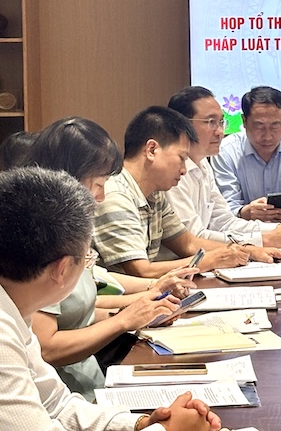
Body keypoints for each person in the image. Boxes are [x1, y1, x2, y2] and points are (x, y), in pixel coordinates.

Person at [0, 166, 222, 430]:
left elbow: (57, 404)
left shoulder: (16, 308)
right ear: (62, 269)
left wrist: (141, 424)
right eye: (87, 257)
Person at [25, 117, 196, 400]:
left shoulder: (67, 230)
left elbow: (81, 310)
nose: (101, 197)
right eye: (98, 183)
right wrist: (125, 319)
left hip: (88, 385)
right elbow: (47, 347)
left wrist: (144, 310)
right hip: (60, 396)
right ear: (68, 177)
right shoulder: (41, 240)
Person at [93, 106, 281, 278]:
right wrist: (207, 261)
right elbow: (141, 271)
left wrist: (248, 250)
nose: (184, 169)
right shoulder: (116, 194)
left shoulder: (154, 195)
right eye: (181, 158)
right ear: (152, 150)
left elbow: (189, 243)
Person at [166, 86, 281, 247]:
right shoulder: (170, 171)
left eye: (221, 122)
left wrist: (279, 229)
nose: (220, 132)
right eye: (211, 122)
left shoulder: (202, 163)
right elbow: (193, 238)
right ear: (182, 125)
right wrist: (263, 240)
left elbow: (224, 221)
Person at [211, 86, 281, 224]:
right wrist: (245, 212)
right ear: (244, 121)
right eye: (259, 126)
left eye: (275, 125)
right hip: (245, 233)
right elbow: (222, 208)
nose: (268, 136)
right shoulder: (225, 151)